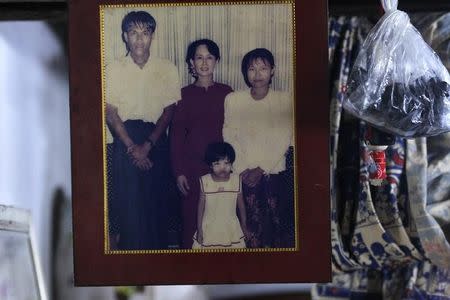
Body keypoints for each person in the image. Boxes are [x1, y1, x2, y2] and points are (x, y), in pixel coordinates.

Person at [105, 11, 181, 250]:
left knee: (156, 206)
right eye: (133, 33)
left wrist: (147, 146)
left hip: (156, 139)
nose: (139, 39)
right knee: (129, 207)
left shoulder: (167, 68)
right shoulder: (113, 69)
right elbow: (110, 112)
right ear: (124, 36)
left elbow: (169, 111)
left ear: (152, 36)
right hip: (124, 138)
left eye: (145, 33)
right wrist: (131, 148)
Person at [223, 48, 294, 248]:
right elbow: (229, 135)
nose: (257, 74)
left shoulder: (284, 100)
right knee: (249, 232)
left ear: (272, 70)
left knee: (276, 229)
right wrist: (244, 167)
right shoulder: (234, 100)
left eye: (263, 68)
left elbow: (284, 137)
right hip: (244, 175)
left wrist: (261, 168)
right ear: (245, 72)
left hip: (273, 175)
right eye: (252, 69)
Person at [170, 39, 233, 248]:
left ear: (216, 61)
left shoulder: (227, 93)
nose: (204, 63)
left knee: (221, 222)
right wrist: (179, 172)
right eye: (199, 57)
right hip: (191, 169)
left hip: (222, 169)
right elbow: (176, 137)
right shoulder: (182, 95)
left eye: (209, 57)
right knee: (192, 225)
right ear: (191, 63)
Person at [192, 142, 249, 249]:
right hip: (210, 227)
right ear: (210, 165)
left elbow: (241, 205)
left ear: (232, 164)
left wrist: (244, 225)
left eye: (226, 163)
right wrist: (200, 229)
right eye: (217, 164)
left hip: (230, 227)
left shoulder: (236, 180)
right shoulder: (205, 181)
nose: (222, 168)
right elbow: (200, 207)